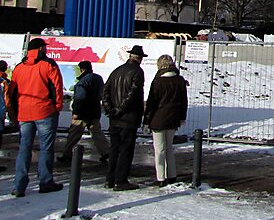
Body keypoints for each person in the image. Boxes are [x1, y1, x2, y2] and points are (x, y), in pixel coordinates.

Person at [11, 38, 65, 197]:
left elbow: (12, 93)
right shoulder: (48, 65)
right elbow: (57, 87)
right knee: (46, 148)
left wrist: (15, 113)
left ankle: (19, 186)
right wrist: (57, 107)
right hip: (44, 111)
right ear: (41, 49)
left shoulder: (19, 68)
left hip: (24, 112)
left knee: (24, 149)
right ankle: (45, 181)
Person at [102, 45, 146, 191]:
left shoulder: (117, 71)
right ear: (139, 58)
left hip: (115, 118)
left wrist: (110, 109)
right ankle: (120, 180)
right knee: (126, 150)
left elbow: (105, 91)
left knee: (114, 148)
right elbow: (132, 95)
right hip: (128, 118)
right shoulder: (137, 72)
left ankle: (110, 179)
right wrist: (120, 109)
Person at [143, 54, 188, 186]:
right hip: (173, 118)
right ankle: (172, 175)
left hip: (158, 118)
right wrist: (182, 117)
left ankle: (161, 177)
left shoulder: (157, 81)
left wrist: (146, 120)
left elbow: (152, 103)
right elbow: (184, 101)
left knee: (159, 150)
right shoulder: (180, 80)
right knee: (169, 147)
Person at [58, 61, 110, 164]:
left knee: (73, 135)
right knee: (97, 133)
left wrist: (76, 112)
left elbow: (79, 99)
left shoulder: (82, 82)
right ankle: (106, 152)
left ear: (82, 69)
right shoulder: (98, 78)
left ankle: (67, 154)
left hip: (82, 113)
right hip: (95, 111)